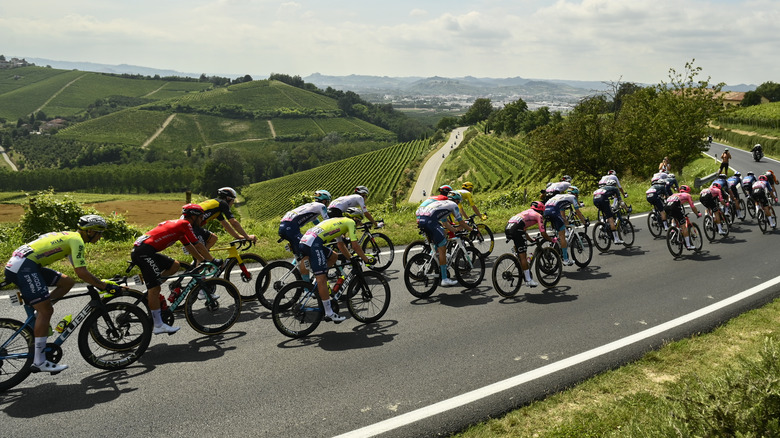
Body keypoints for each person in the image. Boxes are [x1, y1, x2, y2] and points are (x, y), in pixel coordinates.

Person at [3, 215, 124, 374]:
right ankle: (39, 361)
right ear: (90, 232)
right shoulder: (77, 241)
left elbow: (81, 271)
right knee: (46, 311)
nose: (101, 237)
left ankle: (41, 307)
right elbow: (82, 272)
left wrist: (99, 282)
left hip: (22, 264)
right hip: (25, 267)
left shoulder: (69, 236)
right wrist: (104, 286)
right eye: (99, 233)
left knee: (67, 283)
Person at [131, 204, 221, 335]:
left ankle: (152, 289)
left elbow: (189, 246)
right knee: (155, 289)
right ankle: (158, 324)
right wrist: (212, 261)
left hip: (145, 250)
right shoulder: (185, 224)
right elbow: (199, 245)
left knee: (175, 265)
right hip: (143, 253)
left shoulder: (180, 226)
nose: (202, 219)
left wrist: (201, 260)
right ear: (193, 216)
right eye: (201, 217)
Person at [298, 208, 375, 322]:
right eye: (359, 221)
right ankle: (329, 312)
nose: (358, 224)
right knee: (322, 278)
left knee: (333, 256)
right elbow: (355, 246)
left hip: (306, 240)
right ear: (355, 218)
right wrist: (366, 260)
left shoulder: (338, 222)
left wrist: (351, 258)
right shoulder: (350, 222)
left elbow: (341, 245)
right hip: (313, 244)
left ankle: (317, 281)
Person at [415, 191, 474, 287]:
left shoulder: (443, 205)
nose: (458, 204)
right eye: (458, 202)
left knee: (442, 234)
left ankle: (433, 260)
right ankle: (444, 279)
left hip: (421, 219)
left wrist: (454, 230)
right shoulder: (453, 205)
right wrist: (471, 230)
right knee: (442, 246)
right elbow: (461, 222)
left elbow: (445, 224)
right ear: (456, 200)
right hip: (430, 221)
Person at [278, 190, 331, 282]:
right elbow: (328, 222)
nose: (327, 204)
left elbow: (317, 224)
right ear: (324, 201)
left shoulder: (311, 206)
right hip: (291, 228)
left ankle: (301, 272)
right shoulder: (321, 206)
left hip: (284, 226)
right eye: (328, 202)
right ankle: (306, 286)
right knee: (306, 253)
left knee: (301, 253)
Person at [504, 201, 556, 287]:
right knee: (523, 256)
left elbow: (523, 230)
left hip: (509, 227)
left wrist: (531, 240)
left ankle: (518, 259)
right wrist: (551, 239)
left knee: (519, 249)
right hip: (516, 229)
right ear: (541, 211)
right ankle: (528, 280)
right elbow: (543, 233)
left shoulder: (526, 212)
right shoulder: (538, 215)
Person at [193, 187, 257, 252]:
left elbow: (226, 224)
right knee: (209, 245)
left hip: (189, 224)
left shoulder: (216, 206)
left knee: (212, 240)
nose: (233, 203)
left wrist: (239, 237)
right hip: (191, 226)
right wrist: (247, 237)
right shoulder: (223, 204)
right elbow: (234, 222)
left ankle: (199, 258)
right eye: (233, 200)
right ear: (228, 198)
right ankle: (200, 258)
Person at [543, 186, 589, 266]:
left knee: (560, 228)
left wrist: (565, 222)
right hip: (554, 211)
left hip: (546, 211)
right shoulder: (572, 197)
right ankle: (565, 259)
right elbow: (578, 212)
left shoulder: (561, 196)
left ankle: (556, 246)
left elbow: (562, 215)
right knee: (562, 236)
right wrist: (584, 222)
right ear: (576, 195)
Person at [664, 185, 702, 250]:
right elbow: (692, 207)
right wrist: (697, 214)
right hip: (674, 207)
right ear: (687, 191)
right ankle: (688, 245)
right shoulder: (687, 195)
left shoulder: (675, 194)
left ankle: (673, 229)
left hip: (667, 207)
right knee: (683, 226)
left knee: (674, 216)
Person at [593, 179, 625, 244]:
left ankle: (602, 223)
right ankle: (616, 239)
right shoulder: (615, 188)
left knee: (605, 212)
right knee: (611, 218)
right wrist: (626, 208)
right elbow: (620, 201)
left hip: (595, 199)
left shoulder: (603, 189)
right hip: (603, 199)